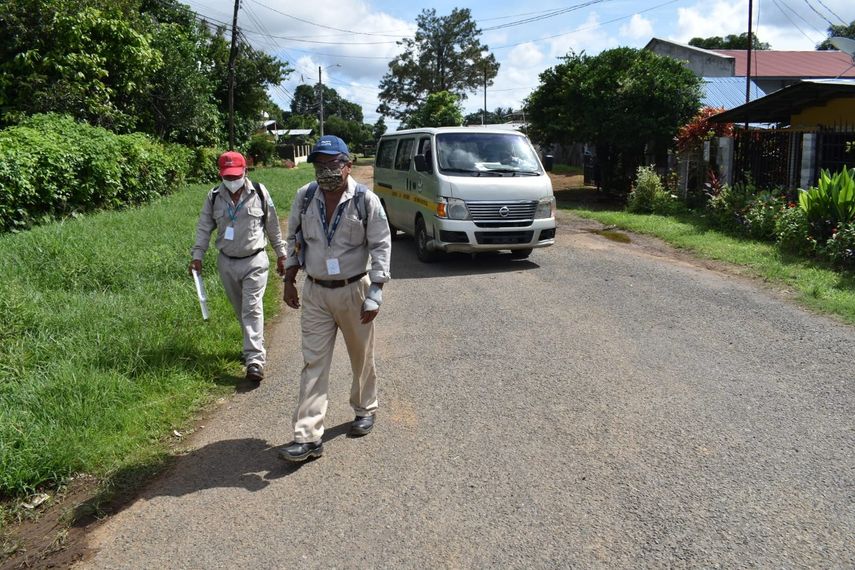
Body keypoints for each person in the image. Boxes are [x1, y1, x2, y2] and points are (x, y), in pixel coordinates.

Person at [279, 135, 392, 462]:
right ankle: (308, 437)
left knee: (361, 356)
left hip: (354, 290)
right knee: (313, 362)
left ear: (348, 165)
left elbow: (381, 245)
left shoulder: (365, 200)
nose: (325, 170)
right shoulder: (305, 197)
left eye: (332, 164)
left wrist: (376, 292)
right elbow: (294, 238)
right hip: (316, 292)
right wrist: (289, 279)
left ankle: (365, 408)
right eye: (319, 164)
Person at [189, 151, 286, 383]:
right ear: (220, 174)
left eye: (236, 176)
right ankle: (253, 346)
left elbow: (272, 225)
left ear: (245, 172)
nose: (232, 181)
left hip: (255, 260)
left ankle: (254, 361)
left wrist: (282, 254)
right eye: (227, 177)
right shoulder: (214, 196)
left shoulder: (259, 192)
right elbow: (204, 227)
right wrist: (197, 255)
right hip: (227, 262)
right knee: (241, 309)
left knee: (251, 308)